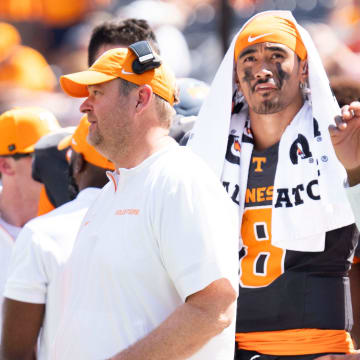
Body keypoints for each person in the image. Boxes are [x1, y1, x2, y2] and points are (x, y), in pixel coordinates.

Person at [48, 43, 239, 359]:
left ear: (141, 98)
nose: (83, 106)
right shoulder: (114, 190)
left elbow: (214, 307)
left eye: (97, 92)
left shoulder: (180, 179)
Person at [187, 10, 359, 359]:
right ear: (236, 76)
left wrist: (354, 171)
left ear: (304, 68)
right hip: (230, 347)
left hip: (319, 349)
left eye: (276, 56)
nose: (262, 68)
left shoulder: (340, 138)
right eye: (249, 58)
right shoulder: (206, 149)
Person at [0, 115, 114, 359]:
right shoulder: (44, 232)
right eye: (35, 155)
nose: (50, 164)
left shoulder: (55, 225)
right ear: (6, 166)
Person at [0, 106, 60, 339]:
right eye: (42, 156)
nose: (55, 164)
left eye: (59, 153)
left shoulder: (75, 221)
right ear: (5, 165)